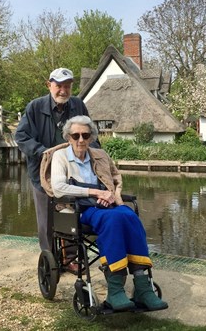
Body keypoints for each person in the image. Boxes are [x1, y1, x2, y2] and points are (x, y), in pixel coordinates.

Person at [40, 115, 168, 312]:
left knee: (129, 215)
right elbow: (58, 188)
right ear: (68, 137)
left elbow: (116, 178)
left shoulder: (99, 155)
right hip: (80, 208)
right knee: (114, 219)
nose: (80, 139)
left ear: (91, 137)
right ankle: (115, 290)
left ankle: (142, 284)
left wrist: (112, 194)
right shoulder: (61, 157)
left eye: (85, 135)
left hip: (106, 205)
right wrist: (94, 192)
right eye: (75, 135)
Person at [15, 68, 98, 257]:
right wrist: (41, 152)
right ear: (49, 85)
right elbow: (20, 136)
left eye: (67, 86)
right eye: (58, 85)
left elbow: (91, 135)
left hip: (74, 172)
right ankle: (50, 259)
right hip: (43, 172)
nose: (63, 90)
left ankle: (70, 257)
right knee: (46, 218)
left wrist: (99, 157)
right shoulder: (35, 107)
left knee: (71, 213)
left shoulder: (78, 105)